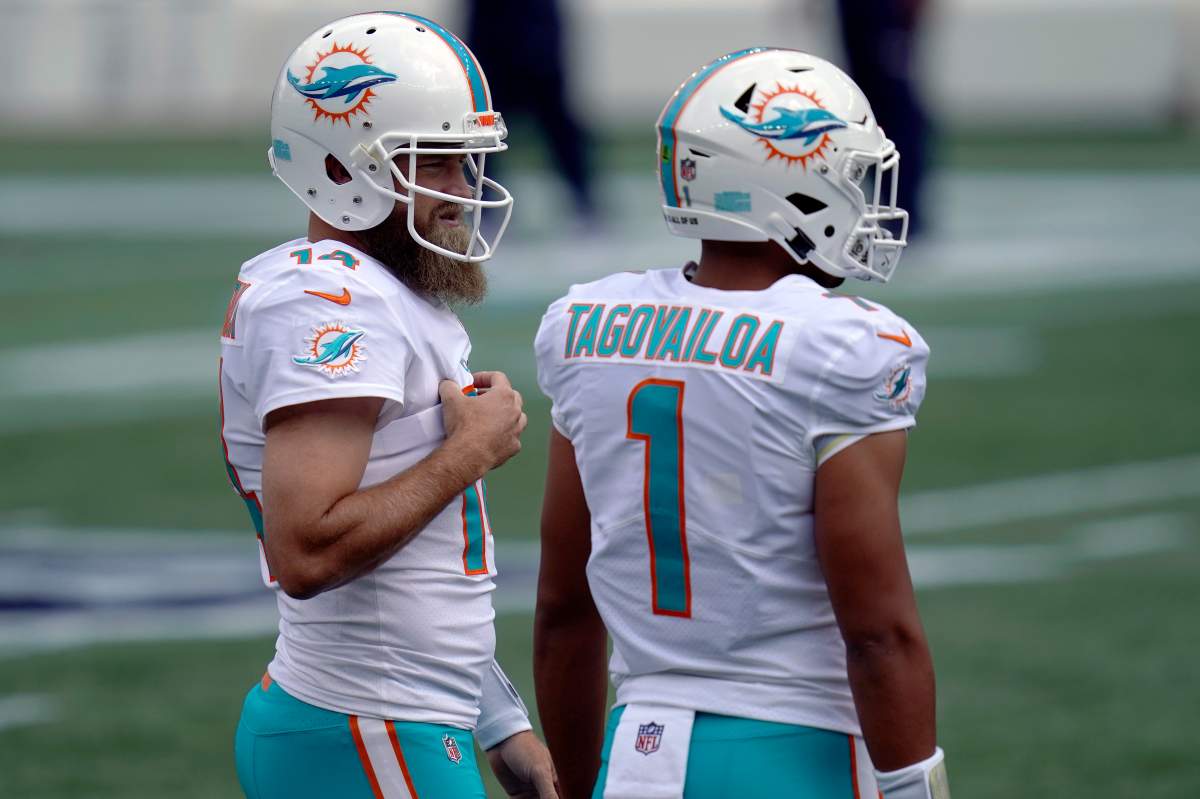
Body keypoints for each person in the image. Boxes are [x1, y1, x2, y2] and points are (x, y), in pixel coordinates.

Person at [532, 48, 949, 799]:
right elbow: (877, 633)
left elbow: (563, 610)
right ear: (787, 184)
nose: (859, 196)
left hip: (635, 756)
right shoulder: (840, 345)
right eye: (846, 174)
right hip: (794, 751)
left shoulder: (585, 325)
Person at [219, 12, 556, 799]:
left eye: (467, 163)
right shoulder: (328, 301)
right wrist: (467, 451)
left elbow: (420, 577)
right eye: (432, 163)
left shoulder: (378, 294)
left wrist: (497, 718)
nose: (462, 191)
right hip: (362, 725)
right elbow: (307, 551)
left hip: (386, 721)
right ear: (341, 168)